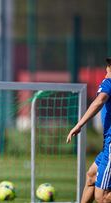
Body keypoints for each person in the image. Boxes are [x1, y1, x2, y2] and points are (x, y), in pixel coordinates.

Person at [67, 57, 111, 203]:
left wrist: (79, 124)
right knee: (91, 176)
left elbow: (100, 100)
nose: (107, 68)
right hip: (107, 145)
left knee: (102, 197)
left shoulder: (108, 83)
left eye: (109, 65)